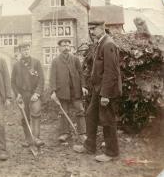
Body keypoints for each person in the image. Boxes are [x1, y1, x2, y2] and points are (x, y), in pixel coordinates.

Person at [73, 21, 122, 162]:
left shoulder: (108, 44)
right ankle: (89, 146)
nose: (91, 32)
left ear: (102, 28)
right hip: (98, 89)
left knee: (107, 120)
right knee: (90, 115)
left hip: (106, 90)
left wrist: (105, 95)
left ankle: (111, 153)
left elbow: (111, 72)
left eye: (93, 29)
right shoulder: (100, 43)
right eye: (90, 29)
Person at [50, 39, 88, 143]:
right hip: (62, 91)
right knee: (63, 112)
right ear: (59, 48)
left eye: (68, 45)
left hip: (75, 90)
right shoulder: (55, 61)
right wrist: (53, 91)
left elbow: (81, 74)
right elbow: (52, 77)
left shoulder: (75, 59)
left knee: (80, 110)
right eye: (63, 46)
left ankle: (82, 133)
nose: (66, 48)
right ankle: (65, 133)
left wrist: (83, 86)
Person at [11, 43, 45, 148]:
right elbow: (12, 82)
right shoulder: (16, 65)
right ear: (20, 51)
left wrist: (37, 93)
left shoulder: (36, 62)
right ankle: (28, 139)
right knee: (25, 116)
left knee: (36, 114)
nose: (26, 51)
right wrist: (17, 94)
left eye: (27, 49)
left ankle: (36, 138)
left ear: (30, 50)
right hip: (22, 94)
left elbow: (41, 79)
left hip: (34, 93)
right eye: (23, 49)